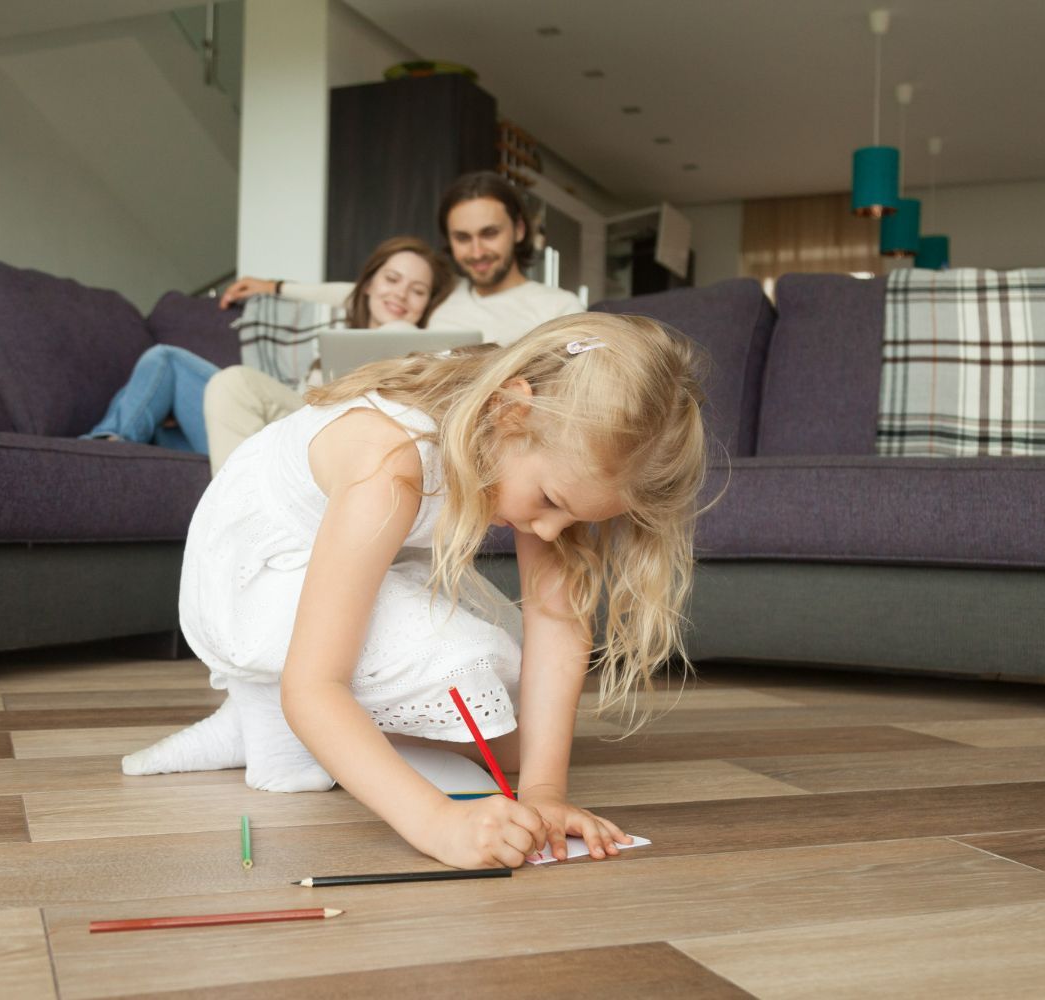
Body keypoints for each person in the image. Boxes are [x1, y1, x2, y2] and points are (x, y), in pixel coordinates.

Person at [121, 312, 708, 870]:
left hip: (348, 563)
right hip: (253, 577)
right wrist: (436, 824)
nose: (553, 532)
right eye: (552, 504)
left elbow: (557, 620)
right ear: (511, 411)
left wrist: (545, 791)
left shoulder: (534, 443)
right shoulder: (392, 464)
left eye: (578, 520)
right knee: (463, 668)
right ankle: (271, 711)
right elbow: (316, 683)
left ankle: (285, 720)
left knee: (513, 735)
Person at [207, 171, 582, 470]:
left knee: (400, 333)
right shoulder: (443, 292)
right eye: (462, 238)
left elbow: (568, 389)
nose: (477, 251)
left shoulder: (556, 306)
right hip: (365, 411)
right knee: (232, 384)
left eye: (489, 234)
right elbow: (358, 292)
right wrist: (274, 286)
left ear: (518, 230)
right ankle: (238, 518)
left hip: (452, 430)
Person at [81, 236, 452, 454]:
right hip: (274, 421)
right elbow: (344, 294)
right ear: (368, 284)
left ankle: (103, 445)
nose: (400, 294)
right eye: (391, 279)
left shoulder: (416, 346)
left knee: (168, 361)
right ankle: (108, 444)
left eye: (417, 290)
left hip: (302, 436)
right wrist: (276, 287)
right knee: (160, 405)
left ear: (427, 304)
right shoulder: (338, 328)